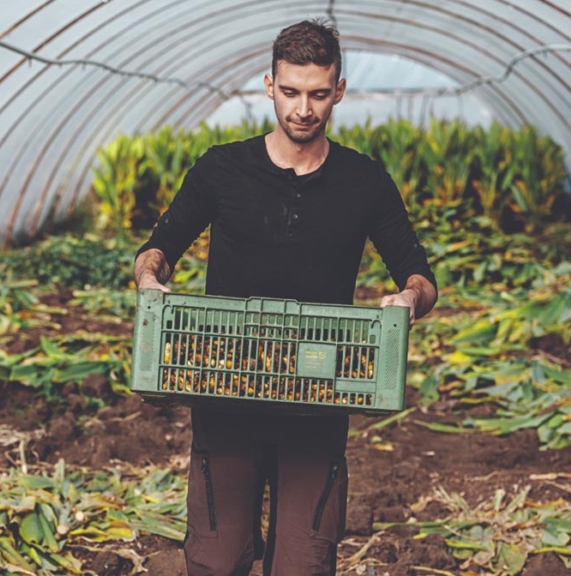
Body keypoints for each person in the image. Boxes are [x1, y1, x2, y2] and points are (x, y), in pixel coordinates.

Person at [133, 19, 437, 576]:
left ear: (338, 91)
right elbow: (158, 247)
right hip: (224, 390)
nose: (304, 108)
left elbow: (418, 273)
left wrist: (408, 300)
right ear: (269, 85)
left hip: (317, 397)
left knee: (303, 563)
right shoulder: (221, 169)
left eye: (319, 94)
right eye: (291, 91)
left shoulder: (364, 182)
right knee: (217, 560)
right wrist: (151, 279)